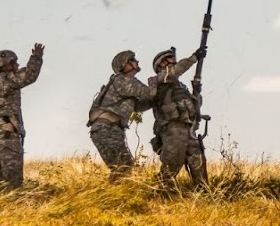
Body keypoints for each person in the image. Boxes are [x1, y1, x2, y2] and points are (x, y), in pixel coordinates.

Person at [0, 43, 44, 189]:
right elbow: (30, 75)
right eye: (14, 62)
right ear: (7, 66)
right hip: (6, 135)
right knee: (12, 180)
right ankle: (13, 205)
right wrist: (36, 57)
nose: (17, 65)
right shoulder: (10, 81)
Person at [85, 50, 158, 179]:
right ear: (124, 64)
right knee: (122, 168)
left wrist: (154, 101)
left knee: (124, 167)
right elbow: (149, 93)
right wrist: (157, 81)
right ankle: (111, 197)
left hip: (109, 129)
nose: (137, 62)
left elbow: (139, 106)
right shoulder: (123, 80)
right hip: (107, 129)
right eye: (133, 60)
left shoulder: (126, 82)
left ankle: (114, 195)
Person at [148, 46, 208, 188]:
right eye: (169, 58)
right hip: (173, 128)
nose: (173, 60)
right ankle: (159, 192)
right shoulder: (159, 79)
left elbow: (195, 107)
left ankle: (204, 193)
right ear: (160, 64)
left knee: (198, 161)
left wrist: (196, 93)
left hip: (188, 128)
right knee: (172, 163)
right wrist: (194, 58)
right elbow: (176, 71)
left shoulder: (180, 87)